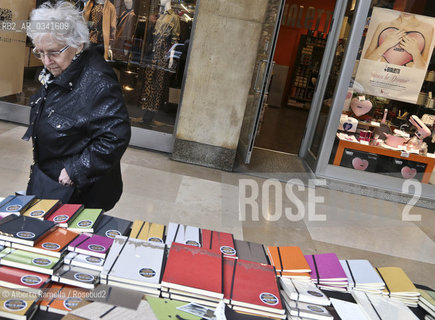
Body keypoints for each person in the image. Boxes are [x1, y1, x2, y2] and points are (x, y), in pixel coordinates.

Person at [23, 1, 131, 211]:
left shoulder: (98, 81)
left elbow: (115, 136)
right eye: (40, 52)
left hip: (78, 191)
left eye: (53, 53)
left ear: (78, 44)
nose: (46, 61)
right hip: (51, 178)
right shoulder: (63, 67)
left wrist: (74, 171)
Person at [364, 12, 433, 69]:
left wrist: (415, 53)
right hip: (379, 76)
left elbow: (423, 69)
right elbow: (366, 61)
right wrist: (385, 45)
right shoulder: (383, 26)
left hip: (404, 81)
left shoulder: (427, 29)